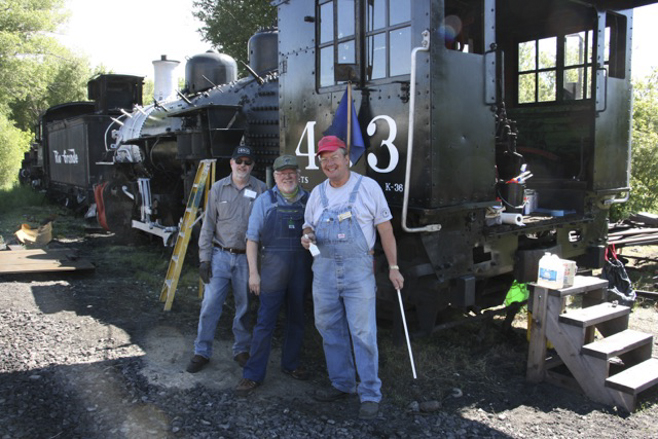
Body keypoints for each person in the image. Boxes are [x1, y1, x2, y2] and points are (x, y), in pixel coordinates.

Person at [301, 135, 404, 420]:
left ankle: (370, 392)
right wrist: (307, 237)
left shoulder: (367, 187)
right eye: (323, 159)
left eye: (334, 157)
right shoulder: (317, 194)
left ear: (347, 159)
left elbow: (385, 231)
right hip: (323, 272)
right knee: (328, 328)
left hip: (358, 271)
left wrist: (394, 267)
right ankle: (343, 383)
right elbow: (308, 227)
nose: (328, 163)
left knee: (363, 332)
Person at [234, 154, 312, 395]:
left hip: (300, 270)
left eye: (291, 172)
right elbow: (252, 239)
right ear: (275, 176)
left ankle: (290, 364)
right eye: (281, 173)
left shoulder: (309, 200)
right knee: (265, 323)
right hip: (271, 271)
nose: (287, 177)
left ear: (297, 174)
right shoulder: (264, 201)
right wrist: (253, 274)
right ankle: (253, 374)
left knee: (297, 320)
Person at [186, 145, 267, 373]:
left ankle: (241, 349)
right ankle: (202, 351)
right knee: (210, 305)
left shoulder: (261, 189)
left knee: (243, 307)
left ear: (252, 165)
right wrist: (204, 259)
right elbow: (208, 225)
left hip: (246, 259)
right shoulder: (217, 189)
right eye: (238, 161)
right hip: (220, 256)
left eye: (247, 162)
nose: (243, 165)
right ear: (231, 163)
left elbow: (267, 225)